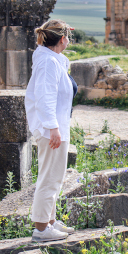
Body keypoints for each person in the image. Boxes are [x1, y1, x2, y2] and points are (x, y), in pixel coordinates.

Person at [24, 19, 77, 242]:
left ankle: (51, 221)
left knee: (55, 176)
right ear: (63, 39)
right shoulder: (48, 63)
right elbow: (45, 97)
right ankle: (41, 229)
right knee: (49, 178)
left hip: (55, 127)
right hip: (50, 130)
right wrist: (52, 127)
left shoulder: (52, 60)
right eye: (68, 37)